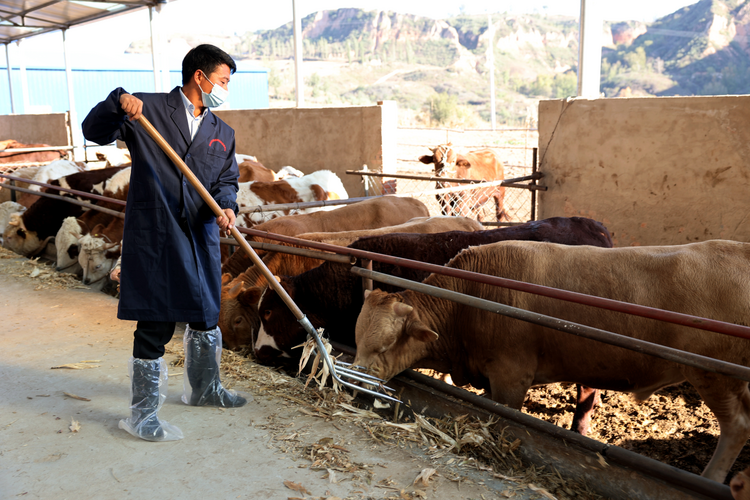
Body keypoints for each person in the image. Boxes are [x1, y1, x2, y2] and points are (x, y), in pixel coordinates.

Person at [83, 44, 249, 442]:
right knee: (155, 323)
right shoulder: (148, 110)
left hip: (200, 236)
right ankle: (143, 416)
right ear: (200, 77)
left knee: (207, 315)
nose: (225, 89)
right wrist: (116, 101)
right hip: (157, 237)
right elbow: (95, 132)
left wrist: (227, 207)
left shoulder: (221, 132)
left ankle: (206, 390)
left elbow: (226, 181)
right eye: (223, 81)